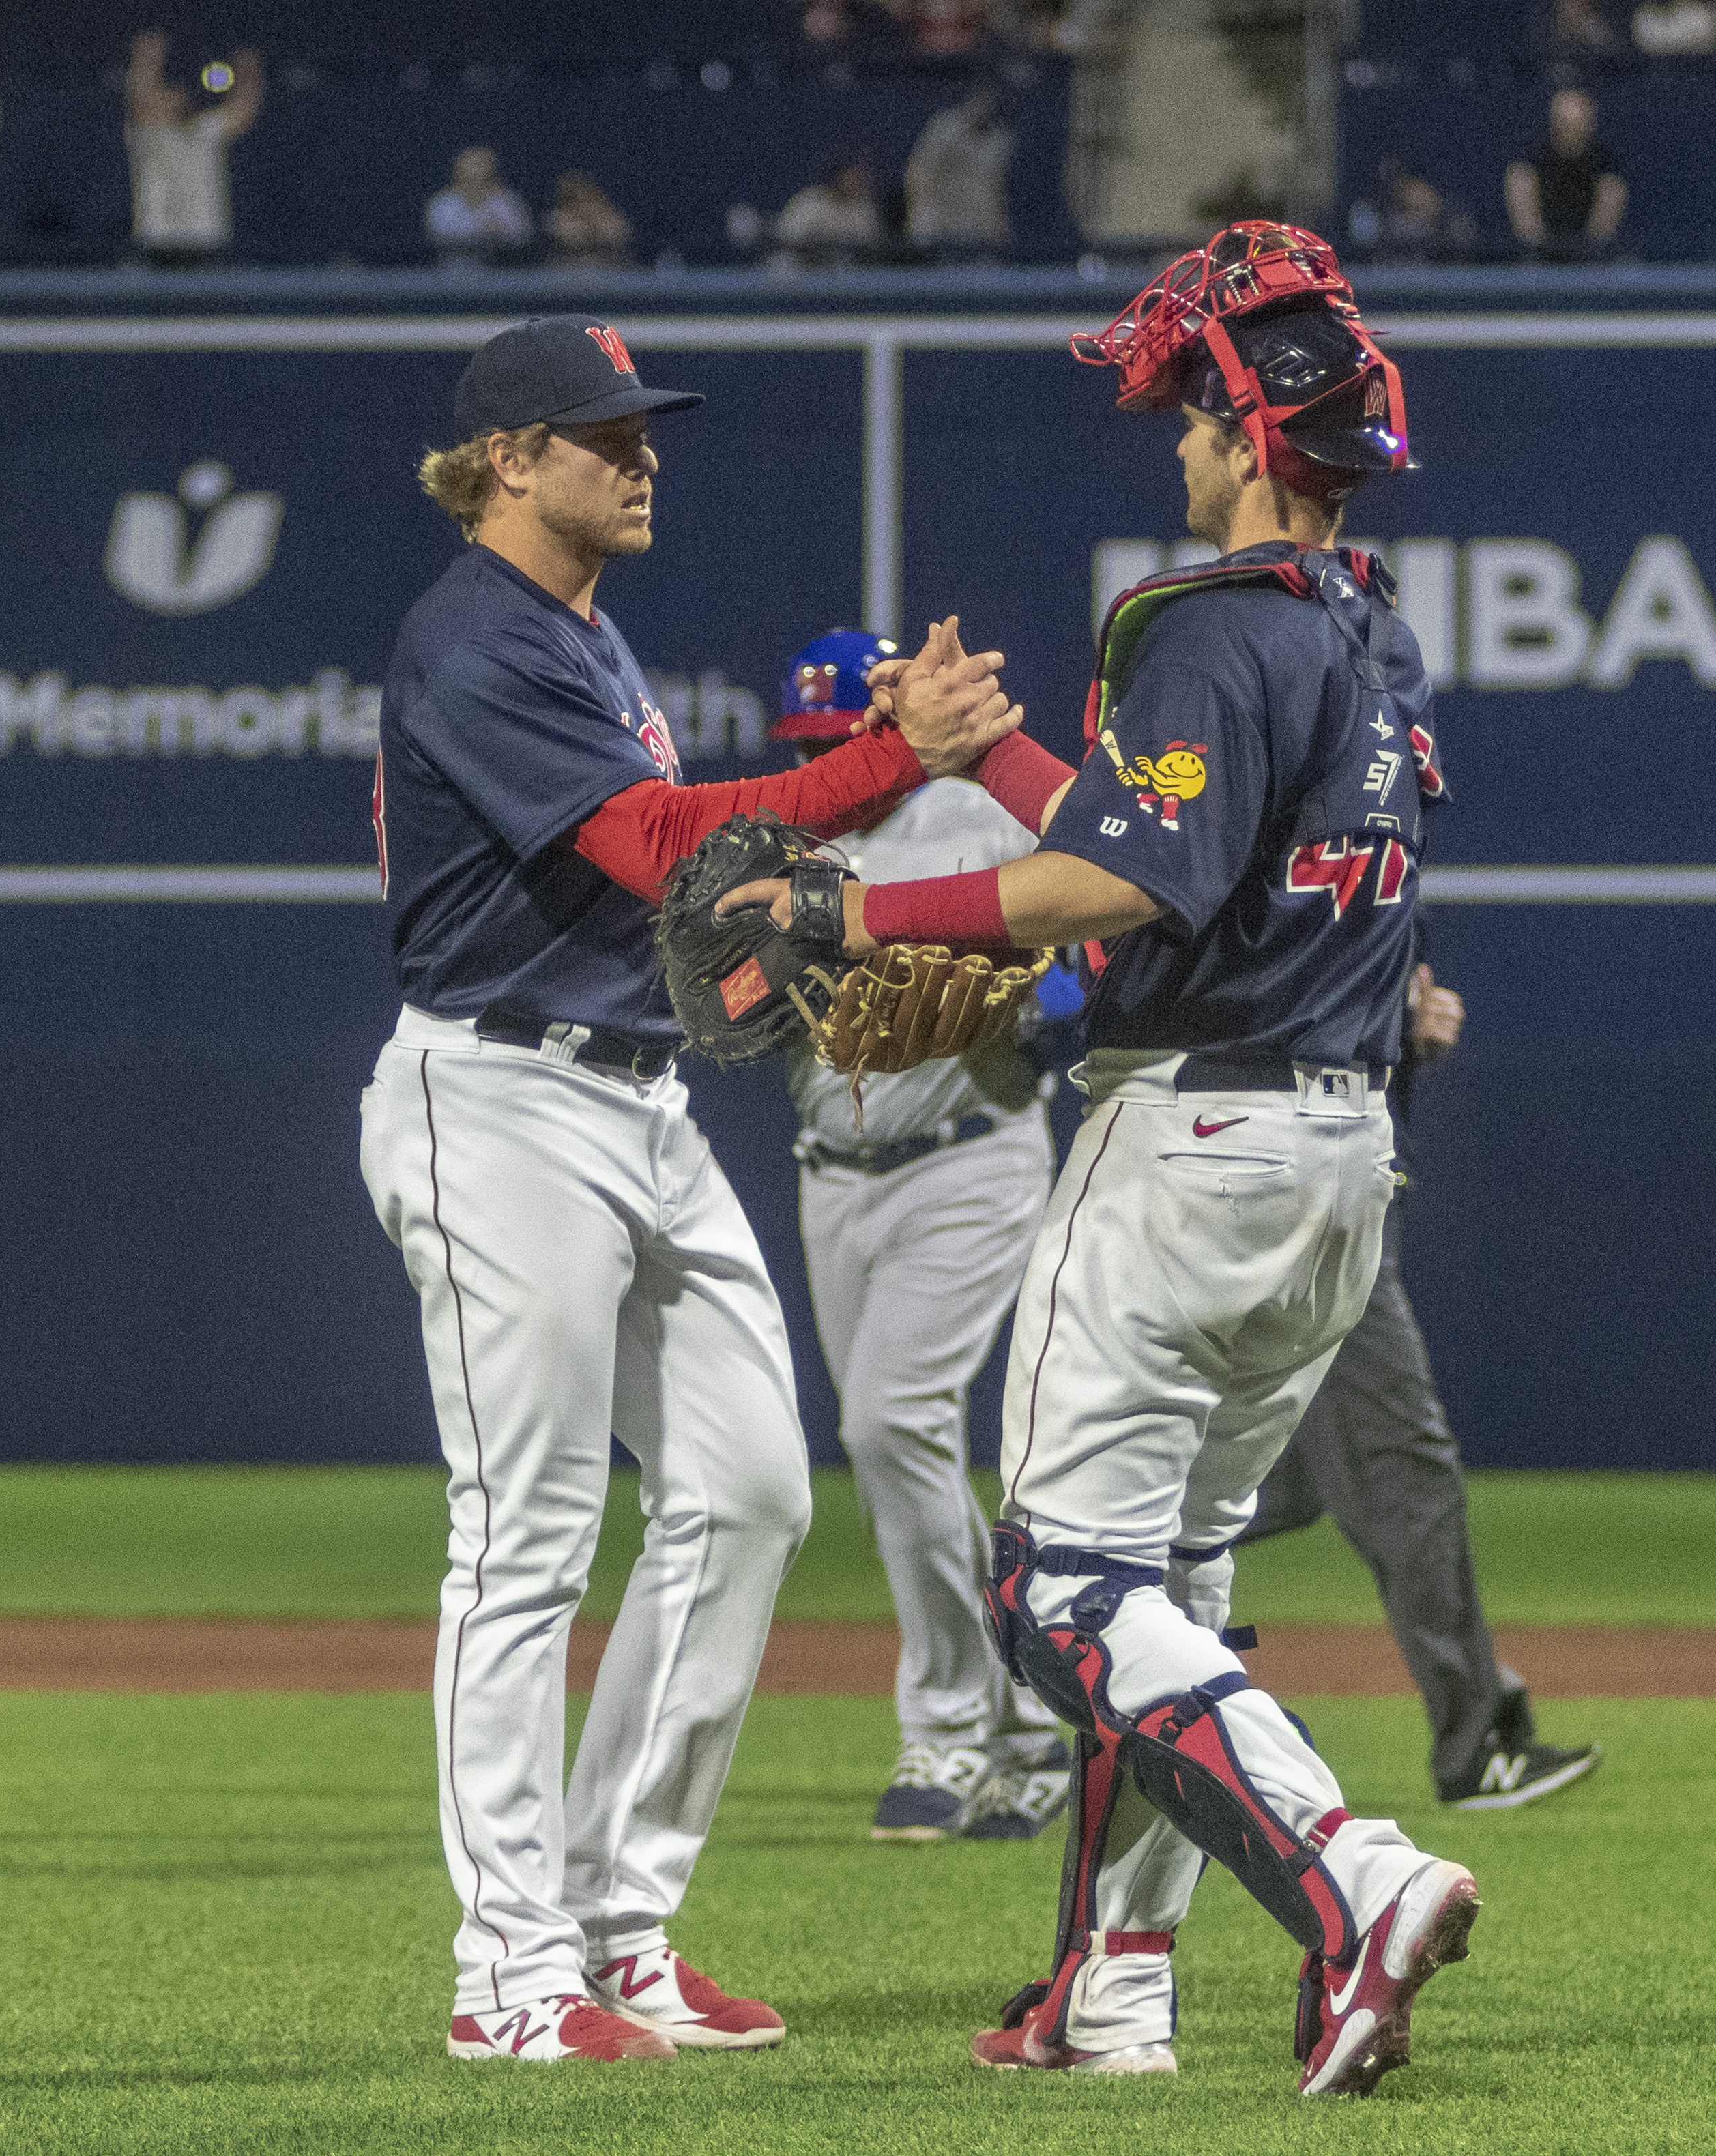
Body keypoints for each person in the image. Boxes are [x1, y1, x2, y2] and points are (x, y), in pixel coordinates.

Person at [717, 221, 1476, 2098]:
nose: (1173, 444)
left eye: (1190, 411)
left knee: (1057, 1594)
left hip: (1190, 1143)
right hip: (1331, 1154)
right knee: (1172, 1590)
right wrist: (1008, 760)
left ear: (1247, 424)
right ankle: (1110, 1986)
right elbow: (1178, 853)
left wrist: (858, 899)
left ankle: (1347, 1872)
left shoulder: (1212, 621)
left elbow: (1129, 885)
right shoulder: (1358, 629)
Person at [360, 313, 1024, 2066]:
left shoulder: (584, 633)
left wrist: (869, 797)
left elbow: (698, 881)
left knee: (743, 1495)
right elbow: (665, 854)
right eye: (603, 432)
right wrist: (894, 762)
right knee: (525, 1540)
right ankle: (507, 1974)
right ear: (509, 457)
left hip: (633, 1102)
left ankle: (613, 1922)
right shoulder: (477, 638)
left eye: (643, 428)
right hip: (497, 1098)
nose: (641, 454)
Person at [770, 631, 1073, 1842]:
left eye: (844, 729)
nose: (830, 753)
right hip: (831, 1175)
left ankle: (947, 1732)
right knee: (900, 1444)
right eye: (808, 742)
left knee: (890, 1418)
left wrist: (1046, 991)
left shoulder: (976, 816)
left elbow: (1101, 930)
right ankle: (1026, 1731)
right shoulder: (793, 838)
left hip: (972, 1152)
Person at [1244, 959, 1600, 1810]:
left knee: (1270, 1485)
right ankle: (1477, 1746)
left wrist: (1403, 1041)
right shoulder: (1292, 839)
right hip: (1304, 1195)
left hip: (1334, 1186)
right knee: (1407, 1472)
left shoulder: (1380, 845)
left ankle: (1042, 1620)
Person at [124, 32, 262, 265]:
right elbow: (140, 94)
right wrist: (147, 57)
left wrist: (248, 69)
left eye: (178, 96)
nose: (172, 98)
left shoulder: (206, 130)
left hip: (204, 242)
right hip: (157, 244)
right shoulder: (148, 132)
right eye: (165, 95)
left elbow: (242, 111)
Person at [1504, 89, 1626, 257]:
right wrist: (1538, 250)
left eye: (1578, 122)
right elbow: (1526, 227)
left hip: (1590, 256)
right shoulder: (1530, 162)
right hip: (1539, 254)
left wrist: (1592, 250)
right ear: (1554, 121)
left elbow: (1604, 228)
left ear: (1590, 122)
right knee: (1519, 177)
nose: (1570, 128)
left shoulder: (1606, 166)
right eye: (1565, 122)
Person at [904, 83, 1014, 256]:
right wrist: (922, 211)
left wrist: (999, 223)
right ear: (971, 100)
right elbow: (919, 168)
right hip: (943, 227)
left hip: (979, 230)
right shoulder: (945, 127)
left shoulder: (1001, 140)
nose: (985, 106)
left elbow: (997, 185)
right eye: (981, 100)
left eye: (991, 102)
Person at [772, 154, 886, 266]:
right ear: (837, 179)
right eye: (849, 178)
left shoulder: (863, 209)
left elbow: (870, 245)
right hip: (802, 261)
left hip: (841, 264)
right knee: (782, 264)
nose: (854, 184)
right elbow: (785, 236)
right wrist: (818, 242)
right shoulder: (811, 200)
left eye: (859, 179)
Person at [427, 147, 534, 265]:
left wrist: (500, 233)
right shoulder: (443, 204)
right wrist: (480, 229)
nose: (475, 171)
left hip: (501, 273)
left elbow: (523, 236)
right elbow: (440, 237)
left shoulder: (507, 202)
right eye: (470, 167)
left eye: (480, 165)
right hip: (453, 273)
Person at [547, 172, 637, 269]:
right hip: (566, 269)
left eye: (585, 196)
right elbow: (568, 243)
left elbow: (619, 238)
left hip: (609, 269)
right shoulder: (560, 218)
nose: (581, 202)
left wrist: (596, 226)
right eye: (573, 198)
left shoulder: (608, 218)